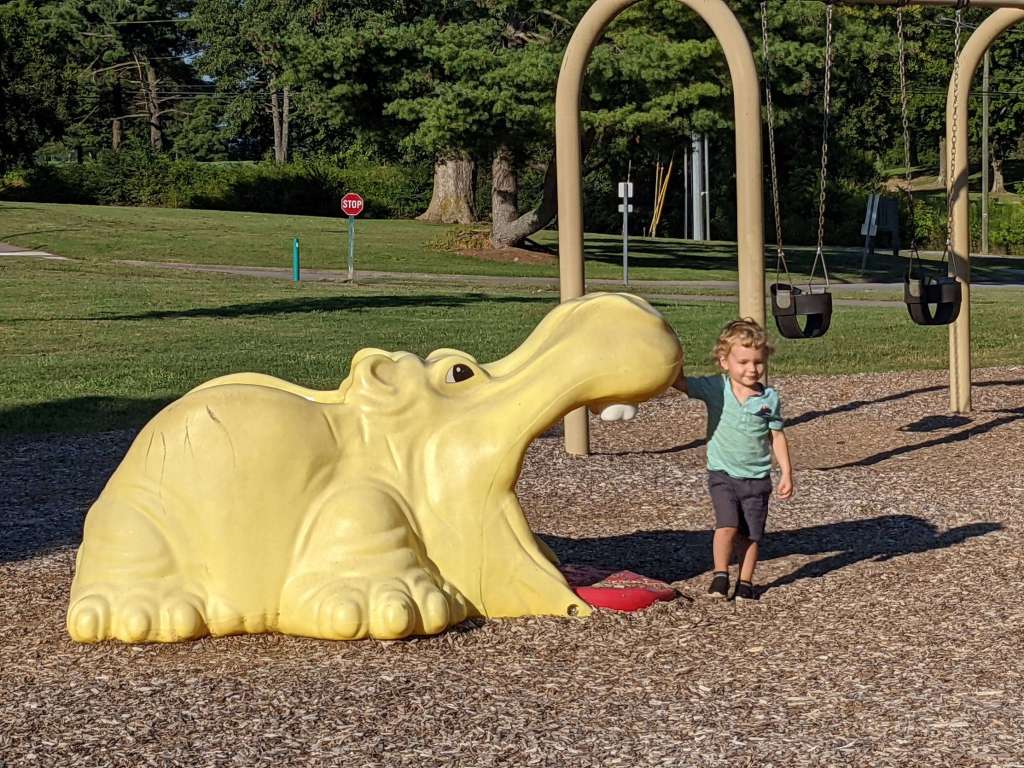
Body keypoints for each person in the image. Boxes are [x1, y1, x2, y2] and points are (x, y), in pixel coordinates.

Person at [673, 318, 793, 601]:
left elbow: (777, 436)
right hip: (723, 474)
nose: (752, 369)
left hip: (757, 479)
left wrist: (786, 472)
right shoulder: (716, 388)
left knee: (750, 535)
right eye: (743, 362)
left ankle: (746, 582)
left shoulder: (769, 399)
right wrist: (673, 354)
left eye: (758, 362)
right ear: (724, 361)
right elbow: (679, 382)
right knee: (726, 526)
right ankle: (720, 575)